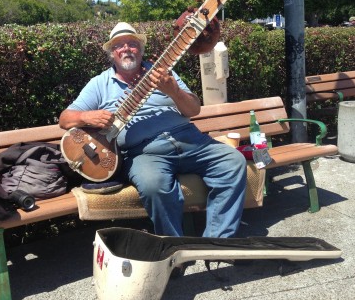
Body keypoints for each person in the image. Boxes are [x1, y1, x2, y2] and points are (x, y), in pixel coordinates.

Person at [59, 22, 247, 238]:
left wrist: (174, 91)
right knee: (153, 185)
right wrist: (86, 116)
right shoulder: (99, 84)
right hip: (144, 153)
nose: (127, 48)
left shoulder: (162, 73)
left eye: (132, 43)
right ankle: (174, 250)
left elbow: (194, 109)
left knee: (233, 162)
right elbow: (65, 119)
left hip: (190, 140)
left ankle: (218, 243)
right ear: (113, 53)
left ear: (141, 49)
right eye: (120, 45)